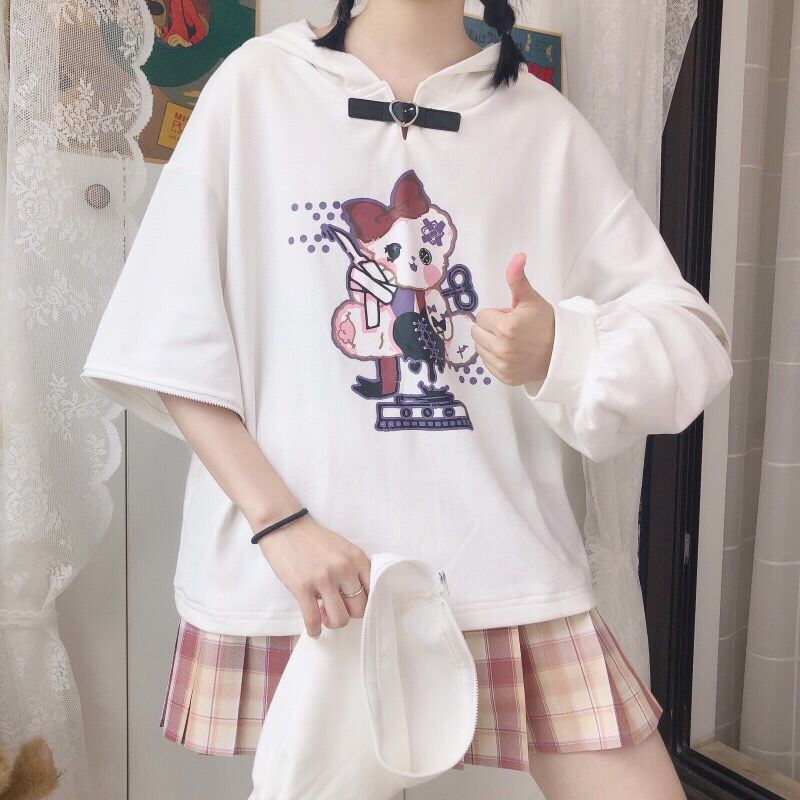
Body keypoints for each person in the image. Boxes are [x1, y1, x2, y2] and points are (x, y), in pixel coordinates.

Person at [81, 1, 733, 797]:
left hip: (503, 565)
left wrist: (563, 348)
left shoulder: (540, 124)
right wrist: (280, 525)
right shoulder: (258, 88)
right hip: (316, 579)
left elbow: (691, 337)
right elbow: (167, 336)